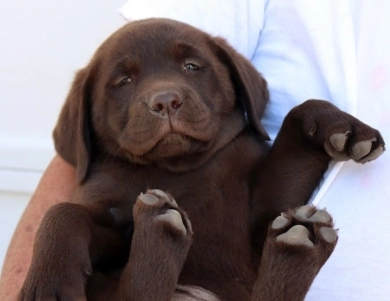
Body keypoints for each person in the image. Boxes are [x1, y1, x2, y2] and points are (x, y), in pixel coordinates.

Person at [1, 0, 389, 300]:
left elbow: (271, 210)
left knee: (283, 229)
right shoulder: (110, 177)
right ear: (84, 117)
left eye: (191, 67)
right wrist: (58, 236)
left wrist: (310, 124)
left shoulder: (242, 152)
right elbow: (85, 230)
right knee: (67, 219)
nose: (163, 96)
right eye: (123, 81)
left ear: (240, 85)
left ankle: (281, 266)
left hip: (242, 280)